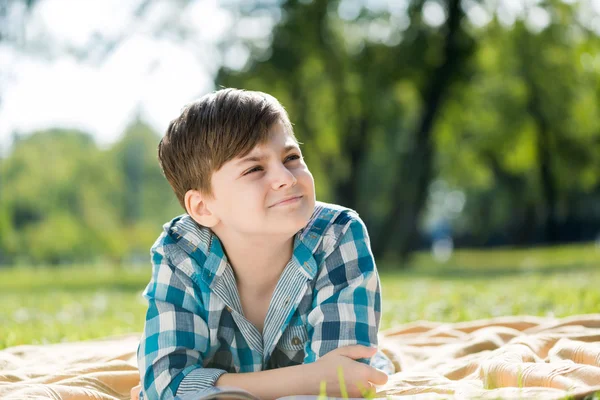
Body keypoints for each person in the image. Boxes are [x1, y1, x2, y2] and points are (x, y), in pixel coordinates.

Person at [134, 88, 392, 400]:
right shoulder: (181, 251)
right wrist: (310, 376)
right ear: (203, 208)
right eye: (255, 168)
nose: (286, 177)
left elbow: (346, 379)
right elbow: (165, 384)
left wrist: (213, 389)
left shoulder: (337, 234)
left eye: (292, 157)